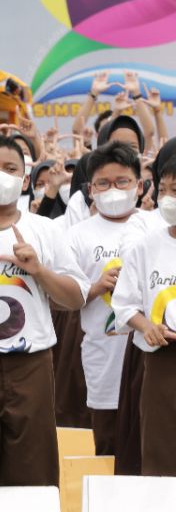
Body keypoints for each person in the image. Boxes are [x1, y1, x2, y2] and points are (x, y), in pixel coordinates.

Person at [0, 135, 88, 488]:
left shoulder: (44, 230)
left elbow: (76, 298)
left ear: (25, 179)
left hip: (32, 365)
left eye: (10, 169)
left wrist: (39, 271)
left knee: (33, 467)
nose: (0, 176)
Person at [65, 143, 148, 455]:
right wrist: (96, 287)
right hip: (103, 353)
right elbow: (64, 295)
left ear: (139, 185)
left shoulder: (156, 227)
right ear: (90, 189)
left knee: (151, 434)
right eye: (103, 183)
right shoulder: (78, 235)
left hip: (149, 354)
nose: (113, 189)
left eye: (122, 181)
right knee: (108, 443)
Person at [112, 157, 176, 476]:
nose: (167, 199)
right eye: (162, 190)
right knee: (160, 449)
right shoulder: (146, 247)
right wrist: (146, 326)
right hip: (161, 362)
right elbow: (124, 303)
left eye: (175, 190)